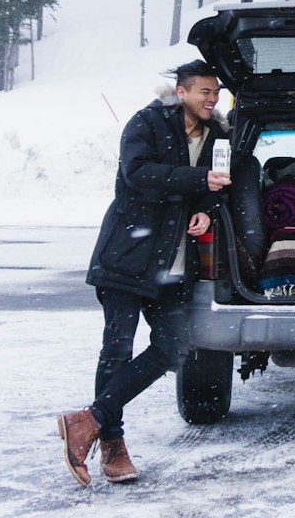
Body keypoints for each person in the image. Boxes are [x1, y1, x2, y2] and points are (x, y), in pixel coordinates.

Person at [56, 61, 231, 486]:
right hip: (128, 253)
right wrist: (199, 179)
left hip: (173, 265)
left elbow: (217, 189)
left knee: (173, 348)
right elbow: (138, 175)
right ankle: (113, 442)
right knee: (116, 348)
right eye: (204, 92)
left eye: (215, 92)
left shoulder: (219, 136)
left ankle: (90, 419)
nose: (211, 99)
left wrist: (206, 213)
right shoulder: (147, 122)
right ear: (181, 91)